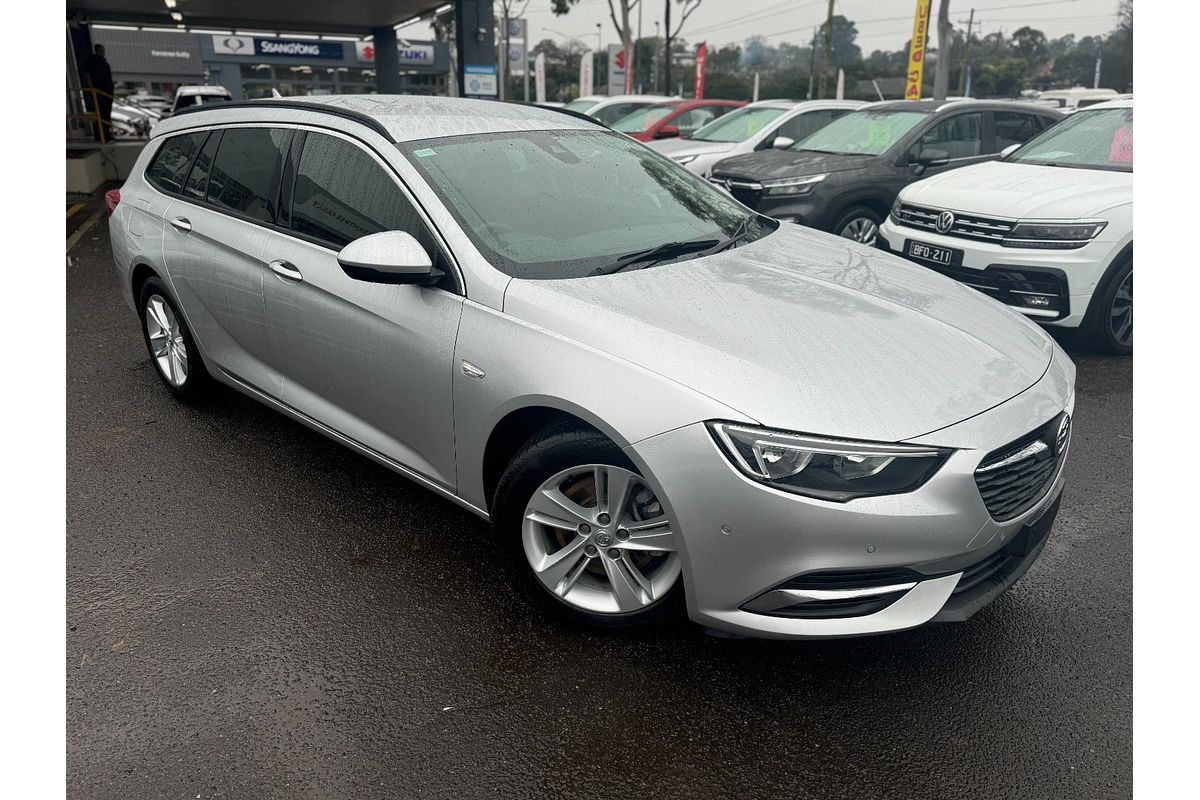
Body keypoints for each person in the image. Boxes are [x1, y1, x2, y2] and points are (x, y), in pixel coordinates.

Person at [80, 44, 114, 142]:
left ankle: (106, 135)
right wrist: (91, 87)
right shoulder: (92, 62)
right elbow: (86, 74)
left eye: (103, 51)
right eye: (100, 51)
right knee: (101, 114)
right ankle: (101, 136)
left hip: (107, 92)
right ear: (96, 51)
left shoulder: (104, 63)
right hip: (99, 92)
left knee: (106, 114)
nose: (102, 53)